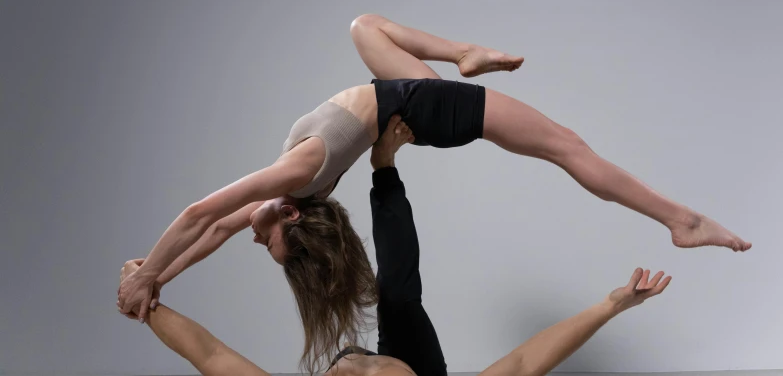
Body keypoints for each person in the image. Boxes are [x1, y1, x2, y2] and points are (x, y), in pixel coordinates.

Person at [118, 14, 748, 354]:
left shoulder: (293, 180)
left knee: (364, 28)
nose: (255, 241)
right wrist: (154, 276)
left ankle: (464, 53)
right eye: (273, 250)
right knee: (565, 146)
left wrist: (154, 275)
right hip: (417, 107)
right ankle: (680, 221)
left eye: (267, 245)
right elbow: (211, 223)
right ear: (291, 220)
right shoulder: (295, 188)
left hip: (409, 97)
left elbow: (208, 218)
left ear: (286, 219)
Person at [118, 121, 672, 376]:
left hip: (369, 351)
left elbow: (209, 356)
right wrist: (611, 305)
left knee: (387, 296)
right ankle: (385, 170)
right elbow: (525, 362)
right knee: (399, 299)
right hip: (416, 363)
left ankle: (360, 186)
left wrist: (148, 302)